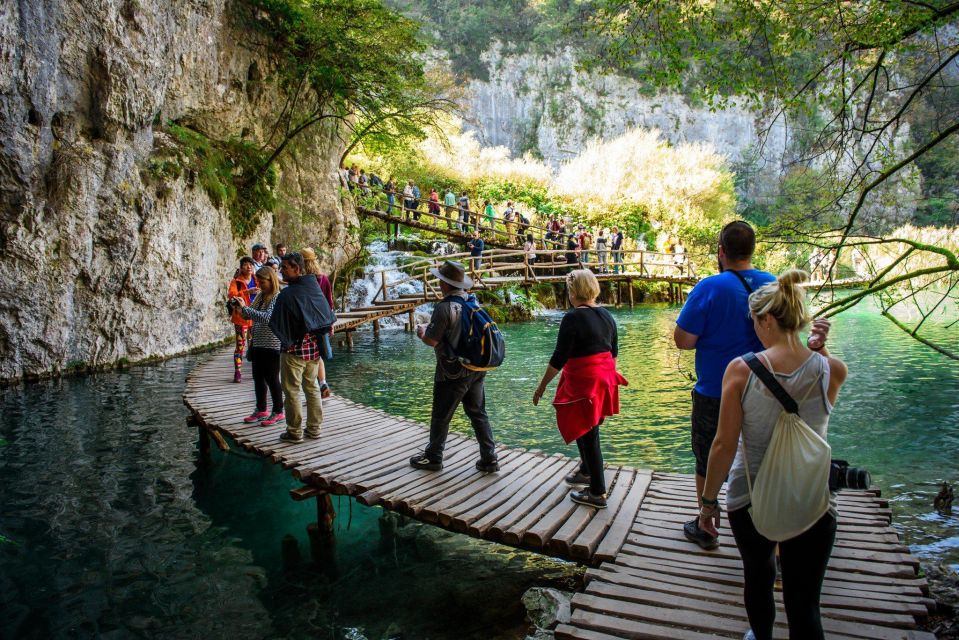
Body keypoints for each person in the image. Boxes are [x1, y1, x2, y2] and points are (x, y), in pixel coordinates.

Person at [698, 269, 847, 640]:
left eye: (755, 320)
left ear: (766, 319)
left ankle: (760, 636)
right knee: (805, 603)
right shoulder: (832, 369)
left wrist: (708, 502)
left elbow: (724, 444)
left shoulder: (741, 370)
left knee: (758, 578)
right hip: (811, 498)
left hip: (750, 496)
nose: (755, 327)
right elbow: (823, 383)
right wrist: (818, 348)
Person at [674, 221, 831, 550]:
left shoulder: (709, 287)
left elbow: (683, 341)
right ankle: (775, 525)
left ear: (721, 252)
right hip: (769, 389)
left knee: (709, 453)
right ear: (753, 250)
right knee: (768, 456)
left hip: (716, 389)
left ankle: (707, 522)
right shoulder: (773, 284)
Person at [533, 269, 627, 508]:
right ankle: (586, 470)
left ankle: (597, 492)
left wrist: (542, 386)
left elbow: (559, 357)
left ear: (573, 292)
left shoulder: (572, 318)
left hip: (584, 380)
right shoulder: (606, 315)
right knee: (584, 425)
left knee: (589, 433)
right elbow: (613, 352)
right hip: (603, 378)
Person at [409, 261, 498, 472]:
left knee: (441, 415)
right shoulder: (472, 302)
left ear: (445, 284)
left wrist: (422, 332)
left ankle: (433, 457)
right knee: (478, 413)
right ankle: (489, 458)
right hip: (476, 370)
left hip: (451, 371)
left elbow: (431, 340)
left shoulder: (444, 307)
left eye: (441, 280)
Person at [269, 253, 336, 443]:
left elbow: (277, 324)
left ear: (297, 269)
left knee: (292, 392)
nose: (281, 270)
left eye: (285, 267)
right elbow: (325, 314)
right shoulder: (313, 287)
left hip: (294, 352)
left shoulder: (288, 294)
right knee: (313, 388)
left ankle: (294, 432)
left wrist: (288, 341)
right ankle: (314, 429)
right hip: (314, 350)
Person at [235, 266, 285, 426]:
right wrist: (240, 308)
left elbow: (267, 318)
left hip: (272, 344)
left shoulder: (277, 296)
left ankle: (278, 411)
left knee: (272, 378)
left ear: (271, 280)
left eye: (262, 282)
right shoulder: (261, 296)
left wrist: (246, 309)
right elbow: (248, 314)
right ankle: (261, 409)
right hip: (257, 342)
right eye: (258, 281)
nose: (260, 284)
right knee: (258, 378)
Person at [302, 247, 336, 399]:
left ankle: (312, 389)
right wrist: (331, 324)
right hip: (321, 323)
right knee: (318, 355)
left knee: (303, 356)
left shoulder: (301, 281)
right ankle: (322, 383)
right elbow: (329, 303)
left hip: (305, 323)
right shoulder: (323, 279)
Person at [228, 256, 256, 383]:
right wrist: (247, 292)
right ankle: (237, 372)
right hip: (241, 318)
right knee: (240, 345)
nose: (249, 266)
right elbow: (231, 296)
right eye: (245, 264)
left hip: (256, 317)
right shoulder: (236, 281)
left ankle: (256, 371)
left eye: (250, 264)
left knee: (255, 345)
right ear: (241, 267)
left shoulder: (257, 279)